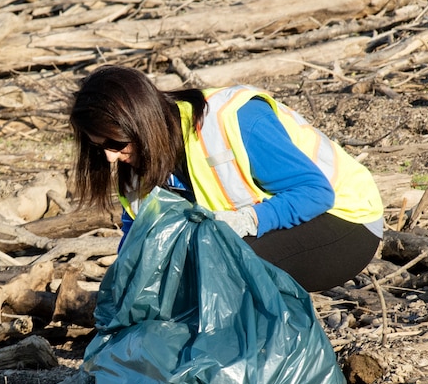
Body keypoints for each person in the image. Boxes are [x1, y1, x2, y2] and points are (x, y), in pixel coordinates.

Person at [69, 65, 384, 292]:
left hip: (346, 221)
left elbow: (316, 193)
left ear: (144, 123)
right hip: (269, 232)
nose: (109, 157)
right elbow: (136, 241)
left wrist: (245, 221)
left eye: (116, 143)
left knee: (222, 265)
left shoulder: (232, 121)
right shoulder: (135, 163)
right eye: (100, 148)